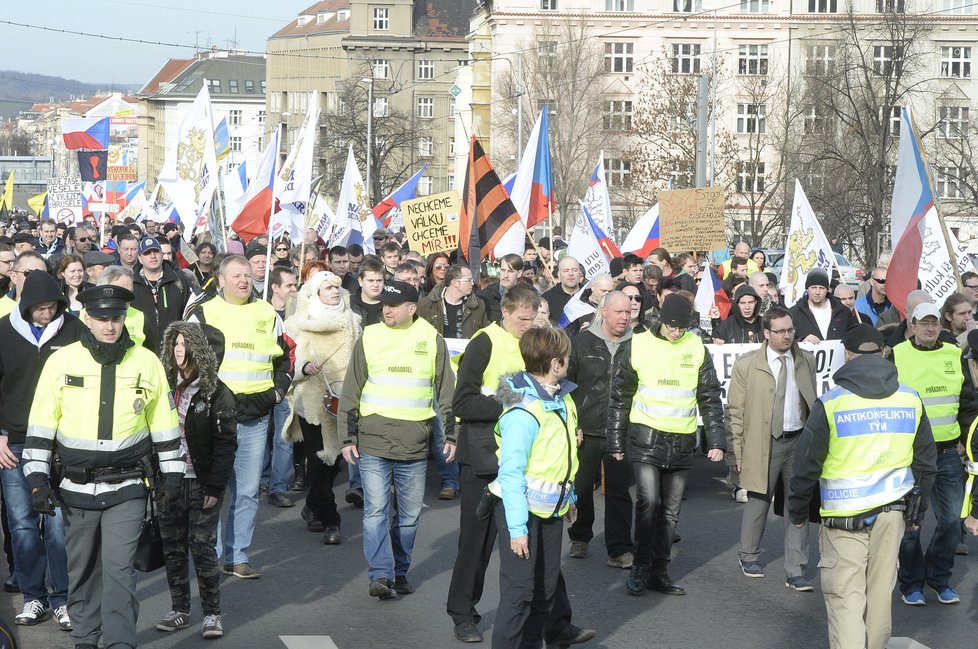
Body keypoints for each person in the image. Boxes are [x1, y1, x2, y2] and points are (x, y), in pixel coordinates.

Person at [23, 284, 186, 649]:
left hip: (127, 486)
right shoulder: (61, 362)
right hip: (75, 489)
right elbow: (41, 426)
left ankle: (119, 643)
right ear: (87, 318)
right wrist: (36, 479)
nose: (109, 326)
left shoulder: (147, 362)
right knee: (82, 572)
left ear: (124, 318)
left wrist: (172, 477)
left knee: (118, 571)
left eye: (115, 318)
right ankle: (85, 638)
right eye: (101, 319)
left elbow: (164, 424)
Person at [788, 324, 937, 649]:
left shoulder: (832, 403)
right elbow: (926, 463)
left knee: (846, 599)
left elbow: (806, 466)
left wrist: (798, 511)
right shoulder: (910, 398)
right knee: (880, 597)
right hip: (892, 515)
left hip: (845, 518)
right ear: (883, 354)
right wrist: (918, 512)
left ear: (848, 355)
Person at [338, 280, 456, 599]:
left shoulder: (431, 339)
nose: (386, 309)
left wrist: (452, 435)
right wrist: (347, 438)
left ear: (412, 308)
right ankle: (380, 575)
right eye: (384, 305)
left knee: (408, 517)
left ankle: (399, 571)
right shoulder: (370, 336)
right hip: (374, 441)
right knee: (375, 510)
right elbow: (352, 390)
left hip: (414, 445)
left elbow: (446, 391)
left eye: (393, 305)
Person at [607, 293, 726, 596]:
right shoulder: (638, 344)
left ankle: (660, 571)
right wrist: (616, 441)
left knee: (671, 512)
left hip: (682, 439)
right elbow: (619, 397)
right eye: (671, 327)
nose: (676, 332)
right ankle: (640, 567)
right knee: (649, 504)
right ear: (660, 320)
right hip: (646, 437)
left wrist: (716, 440)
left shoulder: (696, 346)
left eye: (681, 328)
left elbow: (709, 396)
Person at [187, 255, 292, 579]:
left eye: (247, 275)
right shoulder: (202, 313)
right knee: (212, 491)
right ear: (220, 280)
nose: (244, 281)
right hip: (213, 422)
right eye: (236, 276)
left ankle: (237, 556)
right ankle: (214, 556)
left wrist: (277, 392)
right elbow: (184, 362)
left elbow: (285, 358)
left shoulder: (267, 313)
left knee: (246, 491)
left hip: (254, 418)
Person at [490, 327, 596, 649]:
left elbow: (562, 455)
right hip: (520, 513)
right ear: (554, 363)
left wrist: (570, 497)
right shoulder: (525, 410)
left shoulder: (561, 398)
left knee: (545, 592)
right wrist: (518, 529)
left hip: (550, 510)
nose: (569, 360)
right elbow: (511, 473)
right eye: (565, 355)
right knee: (519, 595)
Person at [0, 271, 85, 629]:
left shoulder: (75, 330)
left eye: (52, 307)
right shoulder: (4, 331)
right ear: (26, 305)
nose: (47, 313)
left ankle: (62, 598)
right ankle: (33, 597)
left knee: (56, 525)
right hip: (13, 441)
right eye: (40, 308)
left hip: (58, 441)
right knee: (21, 525)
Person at [891, 302, 977, 606]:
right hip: (911, 454)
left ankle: (939, 578)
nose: (929, 328)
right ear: (912, 325)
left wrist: (966, 441)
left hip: (949, 452)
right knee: (911, 522)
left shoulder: (954, 354)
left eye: (934, 322)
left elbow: (967, 403)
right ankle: (912, 582)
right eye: (923, 323)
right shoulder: (897, 354)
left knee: (953, 520)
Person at [155, 322, 237, 640]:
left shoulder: (217, 393)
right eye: (175, 342)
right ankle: (179, 610)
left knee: (202, 548)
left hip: (201, 483)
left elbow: (227, 445)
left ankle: (212, 614)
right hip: (167, 481)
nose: (178, 349)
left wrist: (215, 487)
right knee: (173, 549)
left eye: (185, 344)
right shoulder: (160, 384)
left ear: (202, 351)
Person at [727, 307, 816, 588]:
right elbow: (735, 412)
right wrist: (735, 454)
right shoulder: (747, 365)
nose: (787, 336)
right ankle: (749, 554)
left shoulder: (806, 361)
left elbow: (811, 403)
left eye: (790, 330)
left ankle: (796, 568)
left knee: (798, 504)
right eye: (780, 331)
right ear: (766, 333)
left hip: (798, 441)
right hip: (763, 441)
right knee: (759, 499)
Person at [283, 271, 361, 544]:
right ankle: (331, 521)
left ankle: (312, 505)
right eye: (328, 287)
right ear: (315, 293)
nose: (334, 291)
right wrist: (303, 368)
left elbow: (358, 359)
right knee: (318, 460)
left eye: (336, 287)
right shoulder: (297, 323)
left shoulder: (352, 321)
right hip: (311, 400)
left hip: (344, 401)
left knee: (334, 461)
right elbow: (286, 362)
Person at [566, 292, 635, 568]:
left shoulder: (638, 345)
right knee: (582, 487)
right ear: (604, 312)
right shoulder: (581, 343)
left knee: (619, 490)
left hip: (622, 430)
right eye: (618, 312)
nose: (624, 317)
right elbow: (567, 385)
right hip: (587, 427)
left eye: (628, 312)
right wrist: (573, 423)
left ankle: (619, 549)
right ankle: (580, 537)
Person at [131, 237, 190, 355]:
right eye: (147, 253)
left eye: (156, 251)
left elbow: (188, 314)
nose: (153, 256)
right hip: (142, 352)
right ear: (140, 259)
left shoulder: (178, 280)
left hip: (174, 351)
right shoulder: (131, 283)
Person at [417, 264, 488, 340]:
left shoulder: (478, 305)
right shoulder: (426, 304)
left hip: (468, 351)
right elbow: (417, 333)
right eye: (468, 280)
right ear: (455, 283)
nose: (472, 283)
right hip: (438, 351)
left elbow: (486, 332)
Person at [790, 269, 854, 342]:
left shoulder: (843, 312)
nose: (817, 292)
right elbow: (787, 341)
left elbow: (853, 338)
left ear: (827, 290)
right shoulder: (794, 313)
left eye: (821, 288)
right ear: (807, 289)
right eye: (813, 287)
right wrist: (802, 340)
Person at [478, 254, 523, 323]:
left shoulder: (529, 295)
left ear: (519, 273)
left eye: (510, 271)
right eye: (503, 270)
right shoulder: (484, 295)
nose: (505, 275)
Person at [542, 257, 582, 325]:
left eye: (574, 270)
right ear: (559, 275)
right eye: (566, 271)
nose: (571, 274)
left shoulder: (590, 295)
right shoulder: (547, 298)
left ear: (580, 273)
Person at [350, 257, 385, 328]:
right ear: (360, 281)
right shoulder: (348, 304)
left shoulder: (392, 304)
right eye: (370, 281)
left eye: (379, 280)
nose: (375, 285)